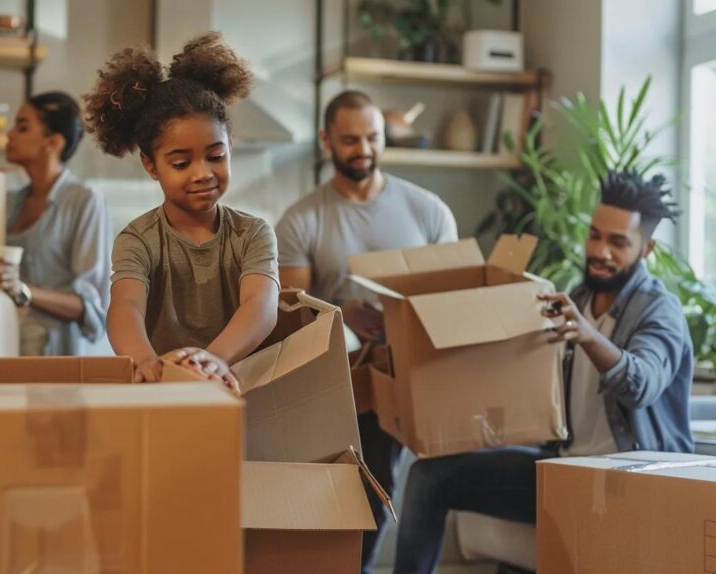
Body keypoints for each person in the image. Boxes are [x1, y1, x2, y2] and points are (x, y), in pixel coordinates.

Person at [393, 170, 694, 574]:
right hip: (565, 469)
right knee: (429, 477)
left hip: (631, 484)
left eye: (618, 242)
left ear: (647, 249)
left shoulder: (661, 311)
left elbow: (641, 385)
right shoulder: (578, 296)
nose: (600, 250)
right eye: (595, 235)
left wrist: (587, 336)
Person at [275, 89, 458, 569]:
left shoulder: (430, 211)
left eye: (373, 138)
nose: (364, 149)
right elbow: (290, 312)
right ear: (326, 141)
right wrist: (341, 311)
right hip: (336, 382)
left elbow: (451, 301)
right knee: (340, 492)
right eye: (350, 139)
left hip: (413, 377)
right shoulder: (302, 219)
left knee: (396, 489)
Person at [83, 32, 279, 392]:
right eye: (180, 162)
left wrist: (215, 360)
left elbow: (261, 304)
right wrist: (143, 360)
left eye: (215, 156)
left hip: (241, 392)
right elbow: (126, 306)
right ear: (151, 165)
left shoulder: (252, 234)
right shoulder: (138, 240)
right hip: (165, 391)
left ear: (230, 147)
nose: (202, 173)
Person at [0, 91, 112, 356]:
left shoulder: (85, 201)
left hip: (60, 359)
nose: (9, 134)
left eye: (22, 126)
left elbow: (91, 307)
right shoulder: (8, 201)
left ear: (52, 142)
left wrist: (24, 291)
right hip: (7, 348)